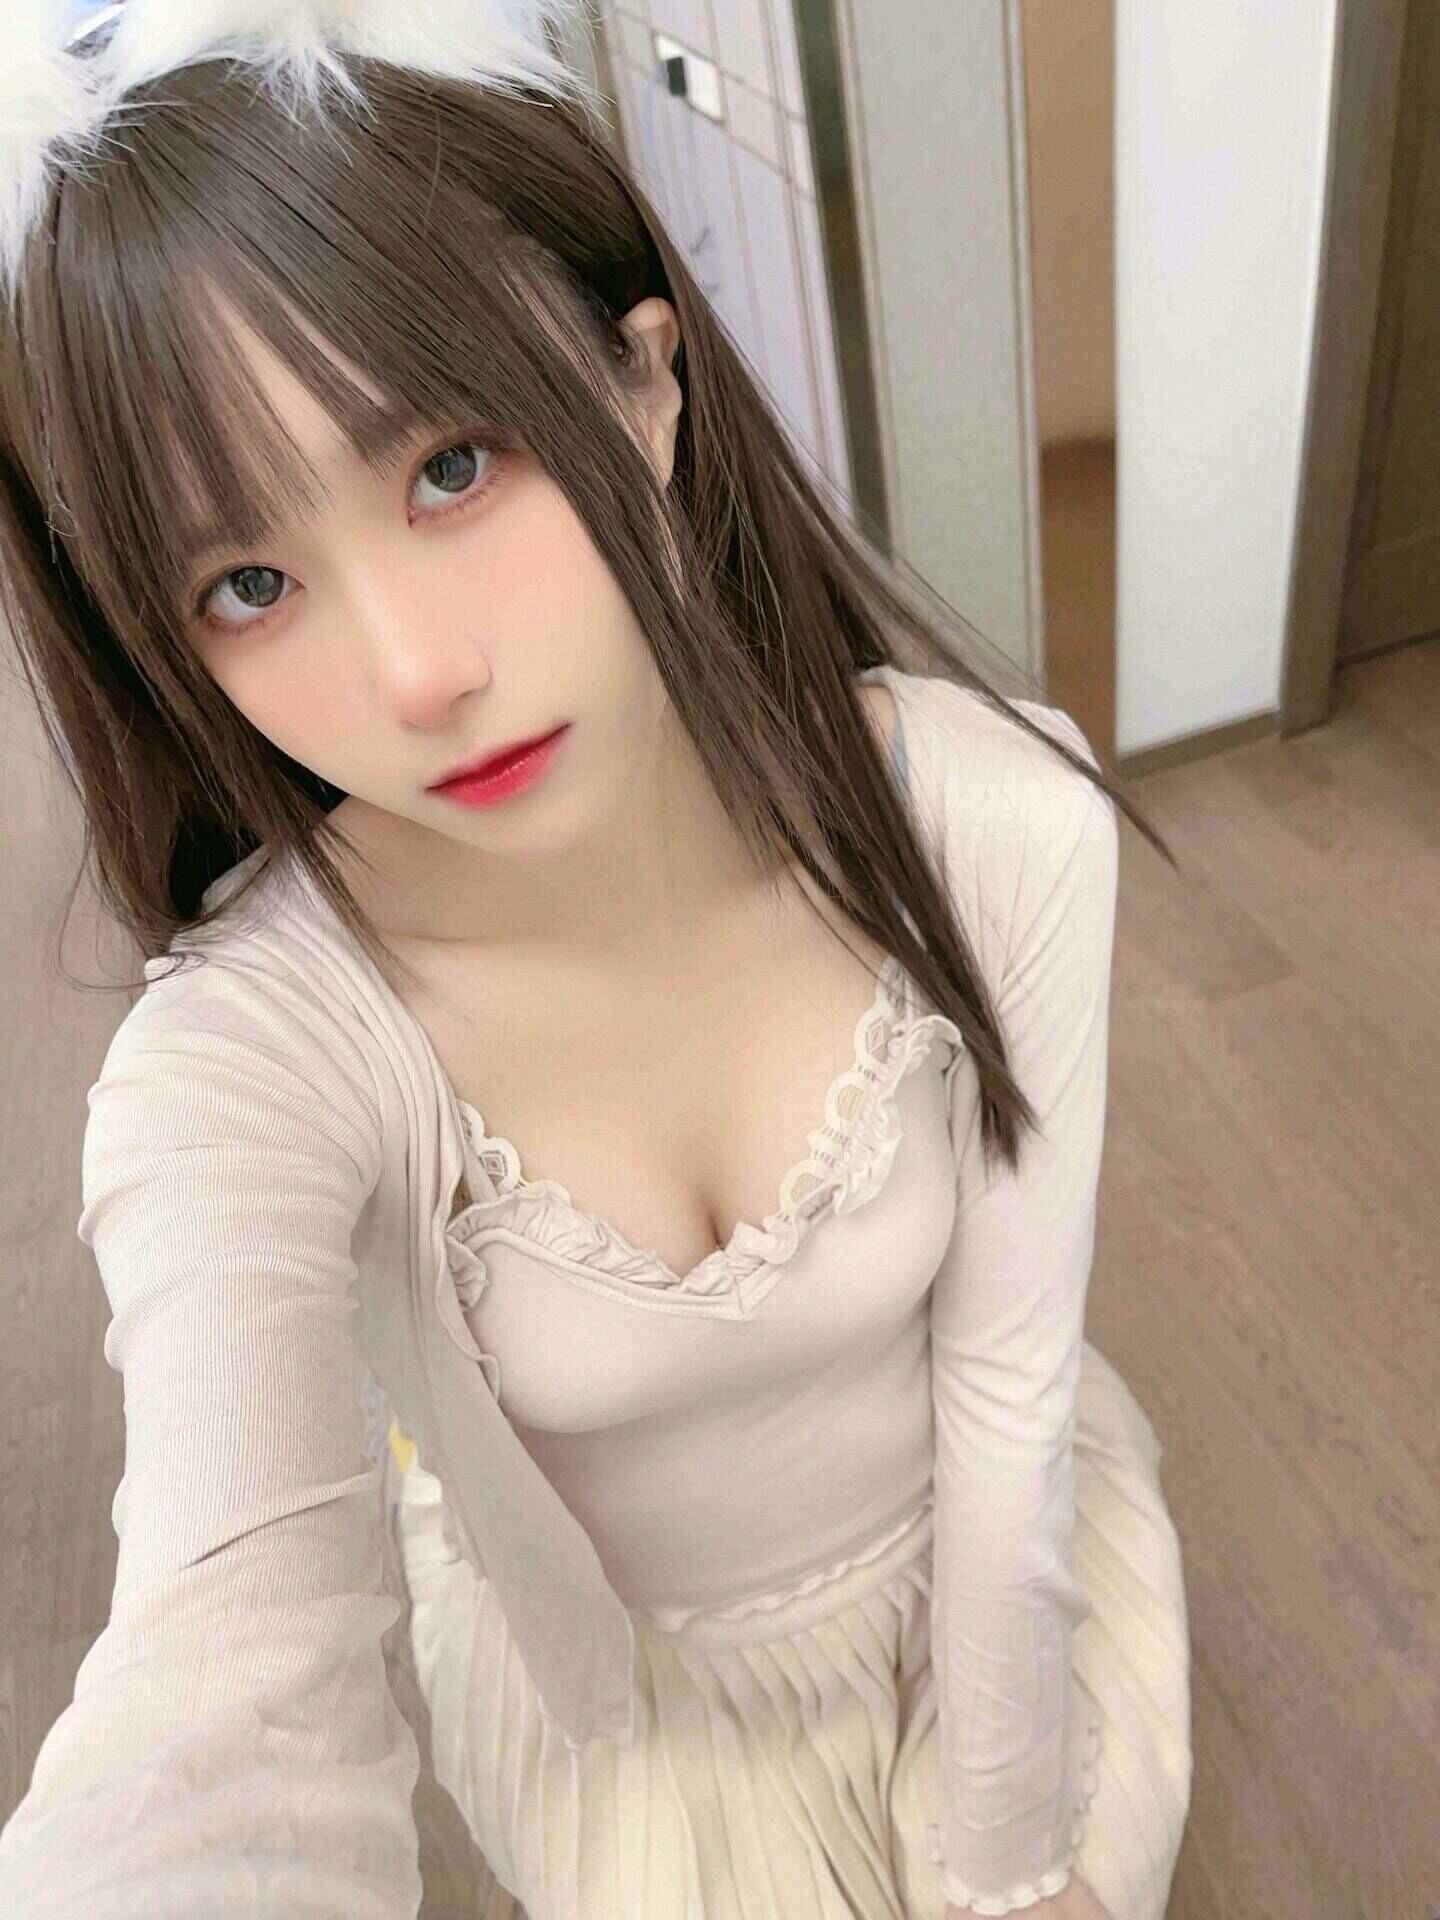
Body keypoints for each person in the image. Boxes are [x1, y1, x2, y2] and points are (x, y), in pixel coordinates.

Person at [0, 2, 1192, 1914]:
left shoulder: (996, 824)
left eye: (452, 465)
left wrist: (1005, 1856)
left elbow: (1009, 1389)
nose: (416, 675)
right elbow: (220, 1672)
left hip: (998, 1596)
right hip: (634, 1751)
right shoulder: (253, 1057)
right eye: (249, 583)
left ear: (643, 383)